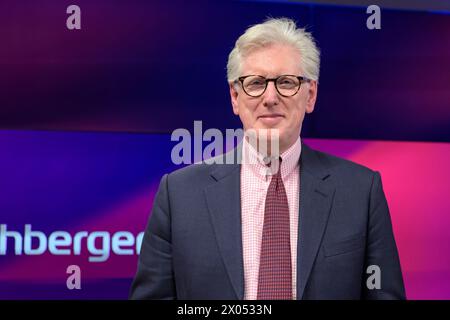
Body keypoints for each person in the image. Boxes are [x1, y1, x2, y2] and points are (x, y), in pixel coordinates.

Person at [129, 18, 405, 300]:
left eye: (286, 82)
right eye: (256, 83)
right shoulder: (178, 195)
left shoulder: (361, 191)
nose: (270, 97)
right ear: (235, 97)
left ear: (310, 95)